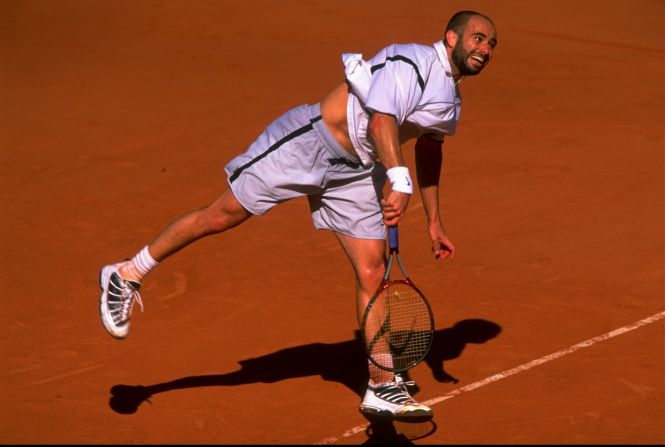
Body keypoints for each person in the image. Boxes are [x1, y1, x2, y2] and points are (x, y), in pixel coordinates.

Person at [99, 10, 498, 421]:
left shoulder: (451, 101)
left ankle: (381, 384)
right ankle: (128, 272)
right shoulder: (410, 62)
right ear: (451, 38)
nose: (484, 49)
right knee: (222, 215)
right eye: (478, 38)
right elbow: (382, 121)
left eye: (491, 45)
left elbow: (430, 149)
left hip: (355, 174)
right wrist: (399, 179)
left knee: (372, 271)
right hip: (310, 143)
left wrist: (433, 221)